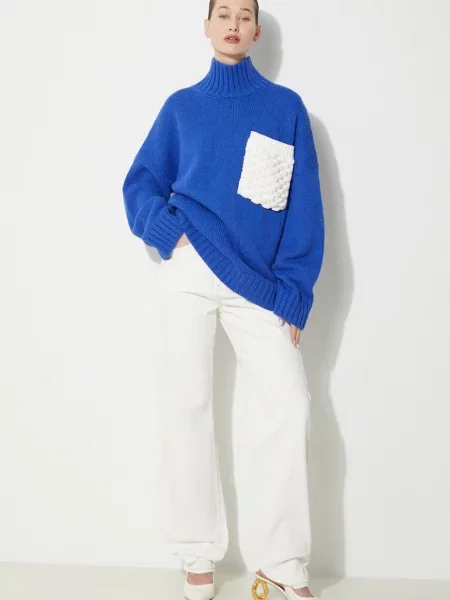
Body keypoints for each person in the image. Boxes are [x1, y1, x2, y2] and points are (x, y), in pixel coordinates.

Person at [122, 1, 324, 598]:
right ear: (207, 27)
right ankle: (196, 552)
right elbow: (140, 182)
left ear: (256, 31)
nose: (233, 24)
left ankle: (282, 564)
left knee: (288, 405)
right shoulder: (181, 107)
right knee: (185, 403)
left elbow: (303, 207)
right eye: (223, 14)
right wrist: (166, 230)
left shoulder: (285, 108)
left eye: (244, 15)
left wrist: (294, 291)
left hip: (257, 283)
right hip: (187, 266)